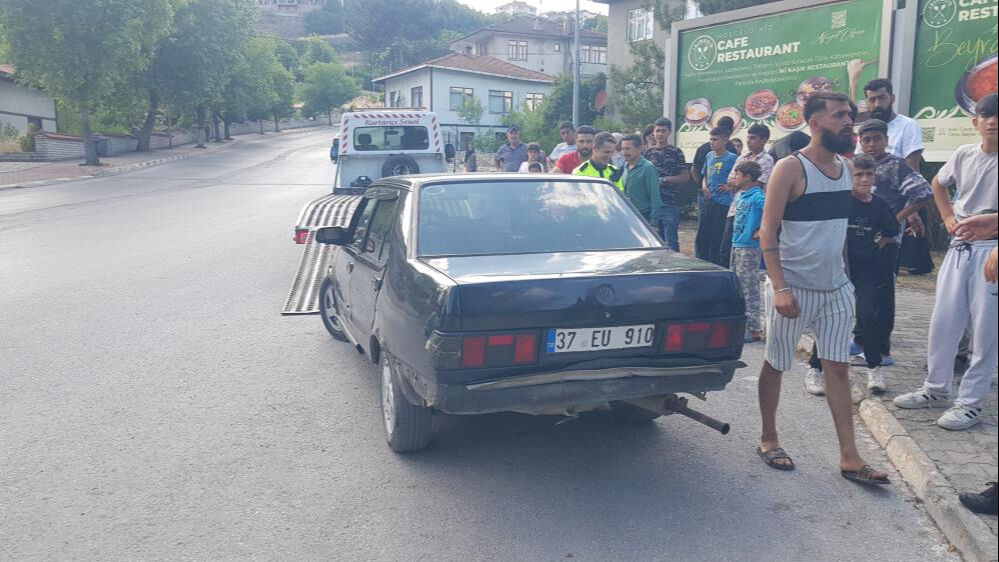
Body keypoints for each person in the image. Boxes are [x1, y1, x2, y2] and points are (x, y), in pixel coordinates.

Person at [756, 90, 889, 485]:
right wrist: (780, 288)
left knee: (838, 367)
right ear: (814, 124)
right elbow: (768, 228)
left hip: (835, 289)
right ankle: (768, 438)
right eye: (838, 116)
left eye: (849, 115)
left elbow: (836, 229)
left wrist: (845, 275)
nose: (848, 122)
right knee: (777, 362)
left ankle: (850, 457)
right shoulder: (790, 169)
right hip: (792, 288)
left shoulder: (847, 169)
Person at [893, 93, 998, 431]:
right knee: (944, 321)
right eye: (986, 115)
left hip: (993, 249)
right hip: (960, 247)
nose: (992, 121)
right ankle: (936, 389)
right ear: (975, 121)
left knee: (986, 332)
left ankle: (970, 403)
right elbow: (938, 183)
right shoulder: (964, 153)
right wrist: (948, 216)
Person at [852, 118, 932, 366]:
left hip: (886, 243)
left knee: (881, 296)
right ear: (860, 142)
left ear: (887, 140)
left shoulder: (896, 166)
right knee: (861, 295)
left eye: (877, 139)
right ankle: (860, 341)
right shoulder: (856, 166)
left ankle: (882, 351)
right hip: (860, 243)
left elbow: (923, 194)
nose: (872, 144)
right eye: (867, 139)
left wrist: (896, 220)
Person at [846, 154, 900, 392]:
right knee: (833, 318)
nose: (865, 179)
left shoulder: (879, 204)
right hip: (840, 267)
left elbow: (892, 230)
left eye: (869, 174)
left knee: (868, 315)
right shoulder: (841, 202)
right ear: (850, 177)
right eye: (859, 174)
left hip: (869, 268)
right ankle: (816, 368)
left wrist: (878, 243)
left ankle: (874, 368)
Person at [721, 125, 775, 268]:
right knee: (727, 249)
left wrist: (737, 183)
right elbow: (729, 180)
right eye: (748, 137)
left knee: (746, 258)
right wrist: (738, 183)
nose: (748, 141)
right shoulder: (742, 157)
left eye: (753, 138)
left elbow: (757, 183)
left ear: (764, 140)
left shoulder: (767, 159)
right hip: (736, 207)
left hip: (752, 211)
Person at [728, 160, 766, 342]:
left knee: (749, 287)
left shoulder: (758, 196)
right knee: (738, 286)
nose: (734, 177)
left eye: (737, 174)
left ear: (747, 177)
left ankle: (754, 329)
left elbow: (774, 211)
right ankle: (742, 325)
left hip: (749, 248)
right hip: (737, 244)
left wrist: (762, 231)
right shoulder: (742, 195)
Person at [858, 78, 924, 172]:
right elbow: (859, 165)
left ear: (892, 98)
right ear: (867, 102)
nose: (877, 104)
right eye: (872, 100)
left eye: (882, 98)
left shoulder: (908, 125)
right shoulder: (865, 129)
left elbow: (912, 170)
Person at [645, 117, 690, 251]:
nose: (660, 134)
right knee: (653, 241)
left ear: (669, 132)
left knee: (671, 242)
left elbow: (685, 177)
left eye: (663, 131)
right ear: (653, 132)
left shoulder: (676, 152)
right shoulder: (648, 153)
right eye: (657, 131)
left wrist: (664, 180)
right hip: (652, 204)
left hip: (669, 203)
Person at [695, 127, 737, 265]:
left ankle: (716, 264)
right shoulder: (709, 155)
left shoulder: (732, 158)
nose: (712, 142)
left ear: (725, 140)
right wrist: (704, 186)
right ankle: (702, 262)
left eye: (715, 139)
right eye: (710, 139)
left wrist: (730, 186)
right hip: (708, 200)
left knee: (717, 236)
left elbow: (740, 178)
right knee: (703, 234)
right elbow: (705, 174)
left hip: (723, 202)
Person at [619, 133, 663, 224]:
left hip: (643, 216)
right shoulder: (624, 166)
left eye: (627, 149)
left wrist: (654, 223)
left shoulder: (648, 168)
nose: (624, 152)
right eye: (622, 149)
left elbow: (655, 197)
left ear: (639, 149)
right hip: (626, 215)